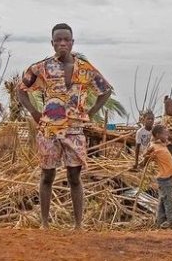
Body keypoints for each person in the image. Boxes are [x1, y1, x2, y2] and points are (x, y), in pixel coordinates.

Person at [16, 23, 113, 230]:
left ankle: (78, 225)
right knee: (47, 175)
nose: (62, 43)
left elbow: (105, 90)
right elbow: (21, 89)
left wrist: (91, 112)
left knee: (74, 176)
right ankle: (44, 224)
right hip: (49, 129)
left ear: (72, 42)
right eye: (58, 40)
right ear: (52, 43)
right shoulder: (42, 67)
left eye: (66, 40)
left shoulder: (85, 69)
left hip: (75, 130)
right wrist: (34, 112)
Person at [139, 124, 172, 228]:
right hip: (164, 178)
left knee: (163, 199)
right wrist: (145, 160)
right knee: (168, 200)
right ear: (157, 135)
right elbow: (145, 156)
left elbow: (168, 137)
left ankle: (160, 221)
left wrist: (166, 133)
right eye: (165, 134)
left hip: (167, 177)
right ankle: (171, 221)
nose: (167, 136)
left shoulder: (162, 144)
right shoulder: (154, 146)